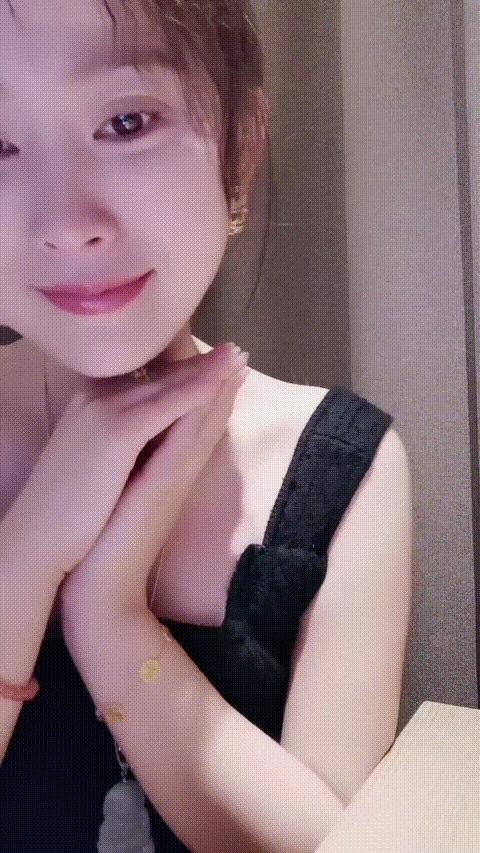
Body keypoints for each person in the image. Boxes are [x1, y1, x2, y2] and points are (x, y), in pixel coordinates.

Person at [0, 2, 412, 852]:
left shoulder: (341, 467)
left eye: (126, 122)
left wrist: (109, 617)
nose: (66, 224)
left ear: (241, 148)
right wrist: (29, 552)